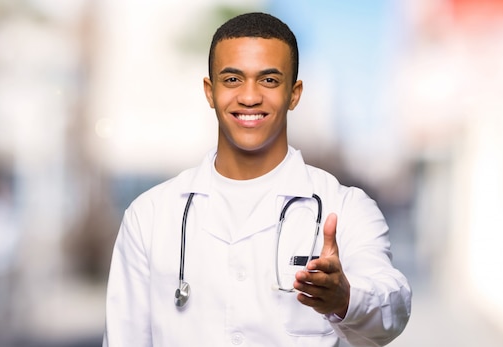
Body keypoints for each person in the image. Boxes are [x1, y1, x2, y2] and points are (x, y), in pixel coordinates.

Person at [102, 12, 411, 347]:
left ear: (294, 94)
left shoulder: (346, 208)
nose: (249, 97)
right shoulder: (149, 216)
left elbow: (393, 306)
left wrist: (345, 297)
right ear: (210, 91)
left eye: (269, 80)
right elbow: (124, 338)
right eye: (233, 80)